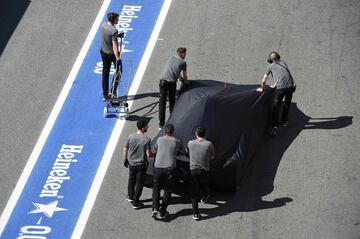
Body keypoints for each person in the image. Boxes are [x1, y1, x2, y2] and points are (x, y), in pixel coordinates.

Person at [256, 52, 296, 137]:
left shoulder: (270, 67)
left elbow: (263, 80)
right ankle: (284, 121)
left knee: (276, 107)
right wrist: (275, 84)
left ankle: (275, 126)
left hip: (281, 89)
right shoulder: (283, 62)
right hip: (292, 86)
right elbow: (283, 74)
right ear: (278, 57)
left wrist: (262, 89)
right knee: (287, 103)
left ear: (271, 59)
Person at [152, 124, 185, 219]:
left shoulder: (159, 139)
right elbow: (184, 151)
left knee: (156, 189)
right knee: (167, 190)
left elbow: (156, 149)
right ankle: (162, 211)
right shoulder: (177, 141)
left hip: (158, 167)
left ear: (164, 131)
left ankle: (155, 208)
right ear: (173, 132)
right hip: (169, 169)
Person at [158, 47, 189, 129]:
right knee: (172, 103)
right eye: (185, 54)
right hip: (171, 83)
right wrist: (186, 82)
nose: (185, 55)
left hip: (162, 82)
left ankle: (161, 124)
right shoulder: (183, 63)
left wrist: (180, 78)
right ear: (182, 54)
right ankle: (172, 122)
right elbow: (185, 77)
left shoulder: (171, 58)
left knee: (162, 103)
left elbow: (175, 70)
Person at [123, 119, 152, 209]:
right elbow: (148, 154)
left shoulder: (130, 136)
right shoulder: (146, 139)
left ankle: (130, 196)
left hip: (131, 163)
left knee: (131, 179)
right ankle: (136, 202)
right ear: (143, 128)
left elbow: (125, 149)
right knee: (139, 183)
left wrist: (125, 158)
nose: (148, 127)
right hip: (141, 164)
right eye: (147, 126)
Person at [187, 127, 215, 220]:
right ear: (205, 134)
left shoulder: (190, 143)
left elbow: (188, 152)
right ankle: (205, 195)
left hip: (193, 170)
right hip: (204, 169)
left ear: (196, 134)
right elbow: (212, 157)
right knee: (204, 184)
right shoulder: (209, 144)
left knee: (194, 191)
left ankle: (195, 213)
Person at [100, 12, 122, 100]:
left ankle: (105, 94)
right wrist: (118, 58)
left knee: (105, 74)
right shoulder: (114, 30)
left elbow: (108, 36)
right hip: (111, 54)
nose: (118, 20)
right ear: (113, 20)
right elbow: (115, 47)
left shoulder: (103, 25)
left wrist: (117, 35)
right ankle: (113, 91)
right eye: (117, 18)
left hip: (104, 52)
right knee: (119, 70)